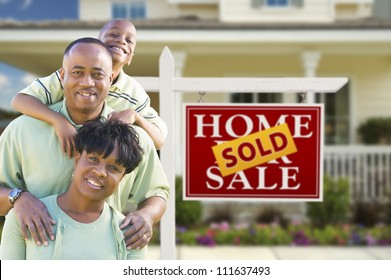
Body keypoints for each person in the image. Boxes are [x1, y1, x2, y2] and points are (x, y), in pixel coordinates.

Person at [0, 37, 170, 252]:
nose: (87, 83)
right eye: (77, 72)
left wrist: (146, 215)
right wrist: (18, 198)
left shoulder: (134, 139)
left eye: (97, 75)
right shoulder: (22, 130)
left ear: (110, 79)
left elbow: (157, 193)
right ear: (62, 76)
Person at [11, 18, 167, 155]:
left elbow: (159, 141)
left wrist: (136, 116)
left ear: (130, 58)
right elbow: (20, 100)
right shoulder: (72, 76)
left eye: (129, 40)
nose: (121, 40)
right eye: (113, 34)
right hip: (56, 150)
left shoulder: (134, 92)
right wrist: (58, 121)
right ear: (97, 43)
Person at [0, 119, 146, 260]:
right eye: (93, 159)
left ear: (121, 178)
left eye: (114, 168)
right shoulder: (25, 217)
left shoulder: (131, 233)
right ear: (77, 160)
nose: (100, 172)